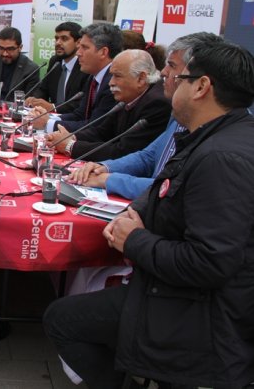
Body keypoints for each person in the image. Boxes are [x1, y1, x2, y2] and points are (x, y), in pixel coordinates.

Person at [43, 40, 254, 389]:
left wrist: (136, 239)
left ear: (201, 87)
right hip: (178, 294)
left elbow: (210, 262)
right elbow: (164, 185)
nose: (166, 79)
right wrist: (138, 213)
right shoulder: (207, 137)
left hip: (201, 315)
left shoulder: (223, 157)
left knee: (62, 320)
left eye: (177, 74)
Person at [68, 32, 223, 200]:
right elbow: (148, 156)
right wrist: (104, 167)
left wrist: (111, 179)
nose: (163, 72)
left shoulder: (218, 143)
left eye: (171, 66)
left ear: (200, 84)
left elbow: (170, 190)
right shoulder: (180, 114)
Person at [46, 49, 170, 161]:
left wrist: (70, 146)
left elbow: (124, 151)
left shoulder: (157, 104)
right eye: (111, 76)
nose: (111, 82)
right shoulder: (129, 94)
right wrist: (70, 137)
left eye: (117, 76)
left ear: (141, 78)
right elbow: (101, 132)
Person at [31, 22, 122, 132]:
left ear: (103, 52)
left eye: (84, 47)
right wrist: (48, 118)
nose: (78, 53)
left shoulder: (113, 82)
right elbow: (80, 115)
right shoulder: (94, 77)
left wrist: (48, 123)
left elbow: (95, 126)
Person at [25, 22, 89, 114]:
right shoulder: (55, 61)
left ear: (78, 42)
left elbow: (81, 103)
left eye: (64, 39)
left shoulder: (84, 66)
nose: (58, 43)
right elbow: (43, 89)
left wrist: (53, 107)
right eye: (56, 38)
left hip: (74, 121)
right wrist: (35, 99)